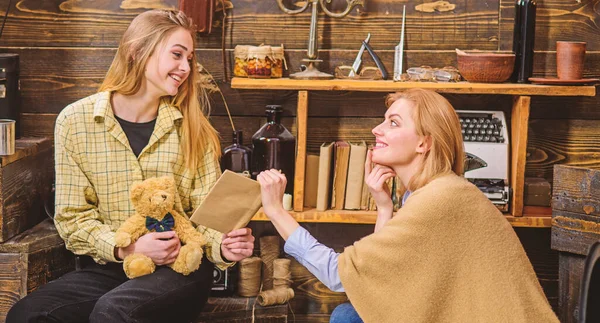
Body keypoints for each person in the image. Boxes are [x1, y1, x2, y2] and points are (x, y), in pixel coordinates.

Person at [7, 9, 254, 323]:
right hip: (110, 267)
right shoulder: (75, 122)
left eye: (189, 58)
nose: (185, 67)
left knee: (114, 312)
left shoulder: (195, 130)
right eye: (177, 55)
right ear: (137, 52)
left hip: (180, 271)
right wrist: (127, 248)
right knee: (27, 315)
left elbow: (208, 219)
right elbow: (72, 218)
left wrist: (225, 249)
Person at [257, 88, 559, 323]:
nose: (377, 129)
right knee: (349, 316)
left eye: (393, 123)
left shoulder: (441, 199)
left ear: (424, 143)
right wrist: (384, 208)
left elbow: (340, 277)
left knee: (346, 317)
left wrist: (276, 212)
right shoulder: (430, 193)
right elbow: (381, 275)